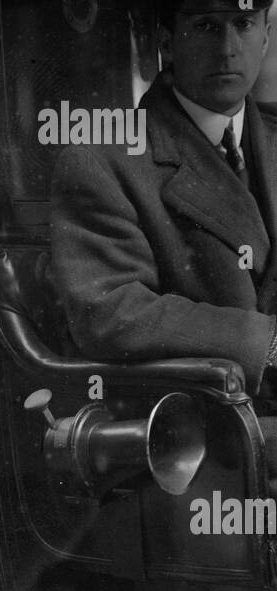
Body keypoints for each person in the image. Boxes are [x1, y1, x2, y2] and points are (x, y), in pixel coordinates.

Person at [51, 0, 277, 397]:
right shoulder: (103, 158)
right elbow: (111, 312)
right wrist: (268, 344)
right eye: (206, 25)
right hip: (202, 430)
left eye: (243, 23)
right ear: (167, 42)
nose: (228, 47)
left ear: (265, 38)